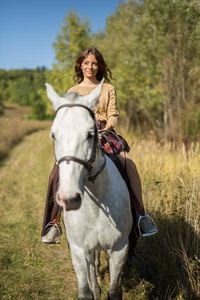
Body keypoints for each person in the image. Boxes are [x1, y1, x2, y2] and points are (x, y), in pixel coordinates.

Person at [41, 46, 157, 245]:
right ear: (81, 65)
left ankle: (141, 216)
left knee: (130, 166)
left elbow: (113, 114)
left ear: (99, 66)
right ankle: (54, 223)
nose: (90, 66)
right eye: (86, 63)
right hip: (80, 135)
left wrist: (103, 130)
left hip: (104, 133)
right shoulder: (73, 91)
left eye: (94, 63)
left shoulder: (108, 88)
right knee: (56, 173)